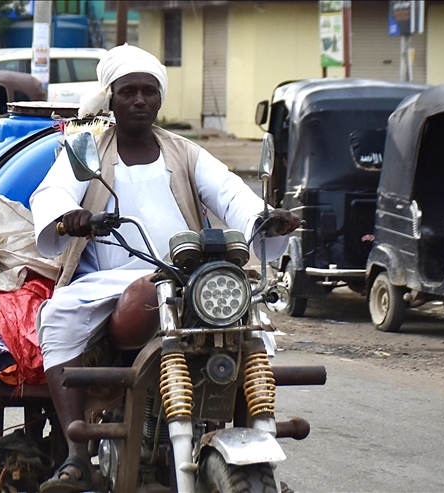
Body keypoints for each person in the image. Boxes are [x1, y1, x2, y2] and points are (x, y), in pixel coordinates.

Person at [29, 44, 301, 493]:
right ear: (111, 98)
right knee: (57, 316)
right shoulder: (87, 148)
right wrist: (69, 216)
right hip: (106, 283)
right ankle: (77, 455)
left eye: (148, 91)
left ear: (160, 98)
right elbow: (52, 192)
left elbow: (230, 192)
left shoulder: (185, 152)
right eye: (128, 92)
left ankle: (255, 449)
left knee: (252, 326)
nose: (139, 100)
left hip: (184, 276)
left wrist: (263, 218)